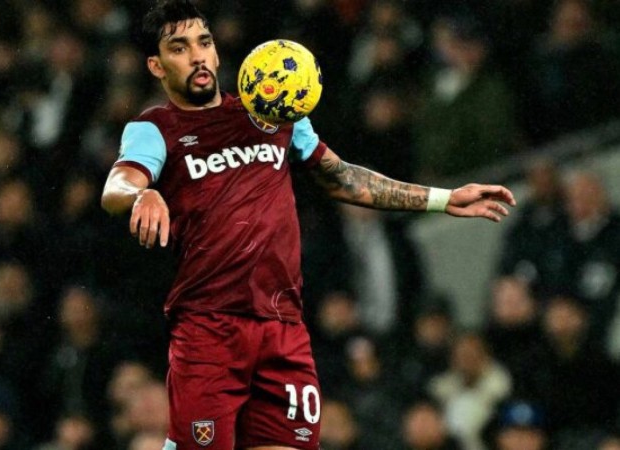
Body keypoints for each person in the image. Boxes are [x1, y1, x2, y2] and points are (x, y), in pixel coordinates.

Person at [99, 1, 517, 449]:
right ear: (156, 65)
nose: (197, 56)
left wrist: (443, 199)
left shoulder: (272, 112)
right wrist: (142, 193)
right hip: (210, 329)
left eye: (204, 42)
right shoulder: (156, 127)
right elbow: (117, 184)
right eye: (179, 48)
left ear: (218, 53)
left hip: (283, 328)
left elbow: (343, 179)